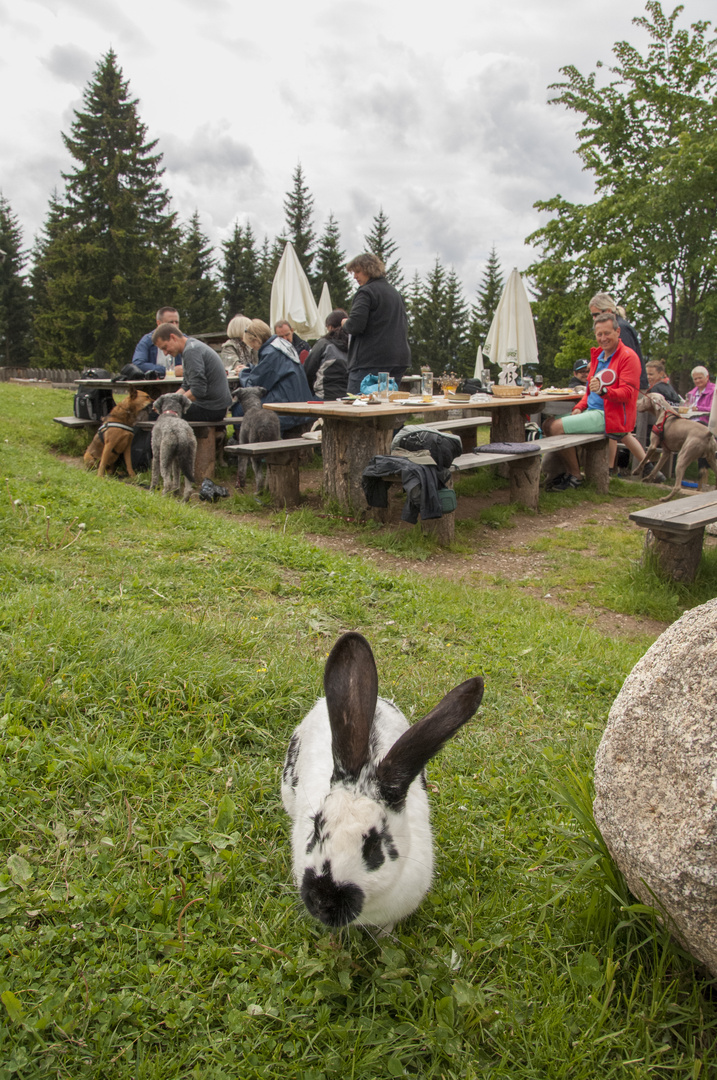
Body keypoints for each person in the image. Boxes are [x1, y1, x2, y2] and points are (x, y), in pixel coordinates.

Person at [543, 312, 645, 490]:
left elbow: (628, 394)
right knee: (547, 424)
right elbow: (590, 391)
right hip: (593, 411)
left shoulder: (628, 357)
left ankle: (574, 476)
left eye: (607, 333)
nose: (603, 338)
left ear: (617, 331)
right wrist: (580, 407)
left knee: (554, 427)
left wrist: (604, 391)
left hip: (610, 416)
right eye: (599, 334)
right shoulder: (598, 357)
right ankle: (560, 472)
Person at [342, 253, 410, 393]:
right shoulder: (395, 294)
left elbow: (355, 325)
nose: (355, 276)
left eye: (357, 271)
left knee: (356, 407)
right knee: (385, 408)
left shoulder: (366, 292)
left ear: (369, 269)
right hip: (398, 360)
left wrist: (345, 323)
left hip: (370, 361)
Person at [237, 319, 312, 434]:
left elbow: (255, 386)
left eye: (251, 344)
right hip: (297, 400)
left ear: (256, 340)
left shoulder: (271, 353)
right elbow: (268, 373)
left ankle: (245, 443)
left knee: (239, 408)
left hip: (289, 408)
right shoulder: (281, 345)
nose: (252, 347)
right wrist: (251, 368)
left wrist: (243, 372)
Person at [152, 324, 232, 421]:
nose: (165, 353)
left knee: (155, 415)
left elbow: (198, 390)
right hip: (213, 406)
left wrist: (171, 405)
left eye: (165, 347)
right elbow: (186, 386)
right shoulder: (190, 347)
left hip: (211, 408)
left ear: (173, 337)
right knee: (162, 411)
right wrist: (168, 401)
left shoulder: (191, 351)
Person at [588, 292, 647, 389]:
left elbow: (626, 359)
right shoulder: (619, 326)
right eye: (592, 315)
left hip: (630, 388)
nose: (594, 318)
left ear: (608, 311)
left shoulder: (621, 328)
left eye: (596, 314)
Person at [304, 310, 349, 400]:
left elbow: (308, 370)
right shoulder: (354, 345)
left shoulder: (323, 344)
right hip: (348, 398)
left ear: (330, 327)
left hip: (324, 396)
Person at [133, 306, 182, 374]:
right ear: (159, 323)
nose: (174, 326)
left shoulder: (183, 339)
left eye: (176, 322)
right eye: (171, 322)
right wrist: (168, 371)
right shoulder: (147, 341)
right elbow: (138, 363)